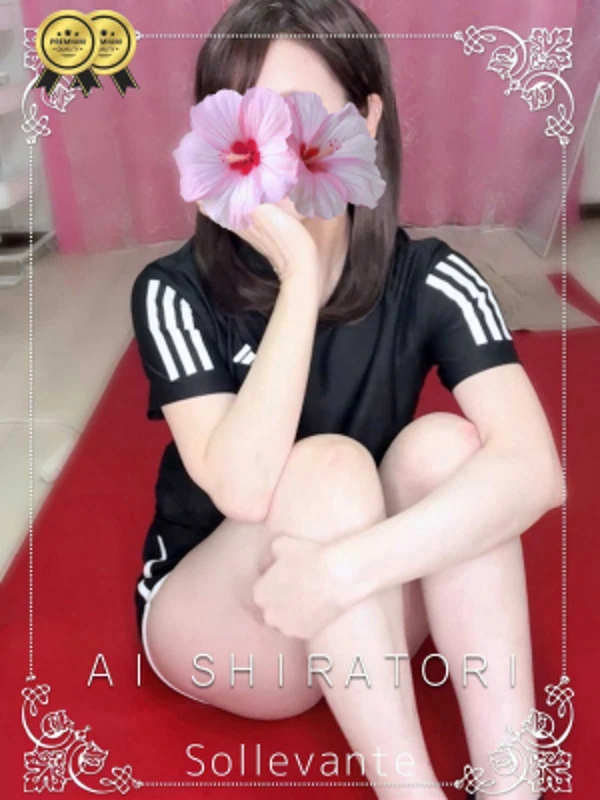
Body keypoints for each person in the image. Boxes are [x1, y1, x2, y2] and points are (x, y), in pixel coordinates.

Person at [129, 2, 560, 798]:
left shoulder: (431, 276)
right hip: (230, 620)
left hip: (352, 599)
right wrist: (298, 276)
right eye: (250, 121)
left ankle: (515, 786)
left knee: (450, 450)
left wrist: (343, 571)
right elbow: (244, 489)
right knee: (325, 468)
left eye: (301, 119)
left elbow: (536, 473)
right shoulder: (173, 291)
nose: (278, 154)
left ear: (365, 120)